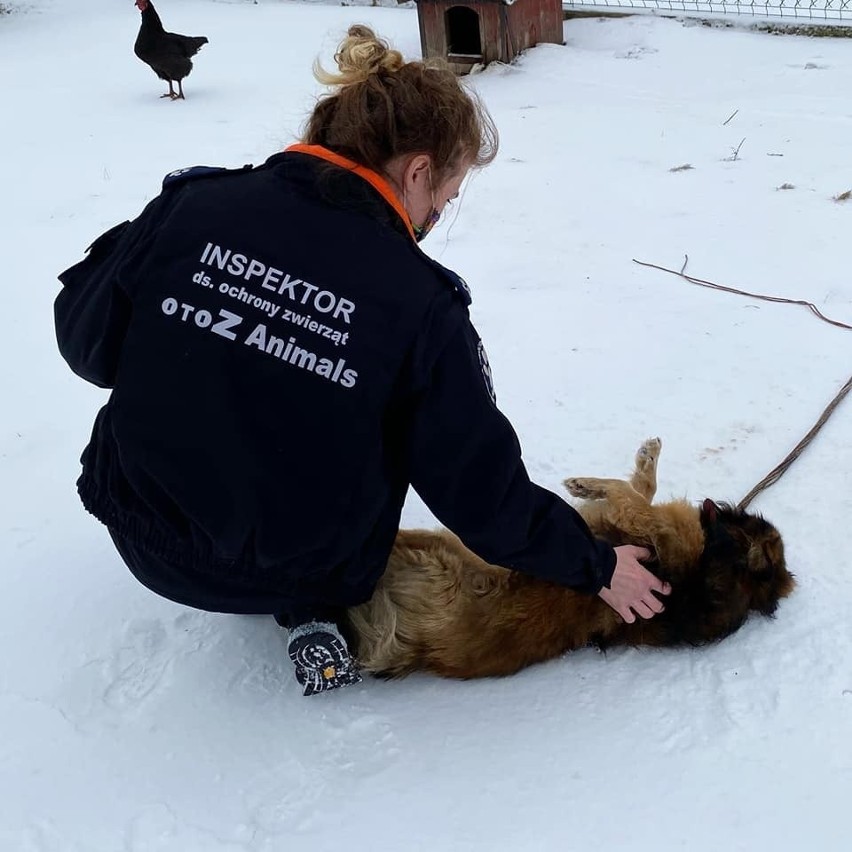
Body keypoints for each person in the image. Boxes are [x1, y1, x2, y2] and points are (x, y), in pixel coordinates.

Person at [54, 25, 670, 697]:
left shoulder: (193, 207)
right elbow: (480, 494)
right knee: (369, 420)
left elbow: (86, 345)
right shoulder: (420, 306)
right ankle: (309, 610)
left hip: (139, 529)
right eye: (446, 194)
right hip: (302, 568)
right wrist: (597, 566)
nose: (439, 212)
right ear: (416, 171)